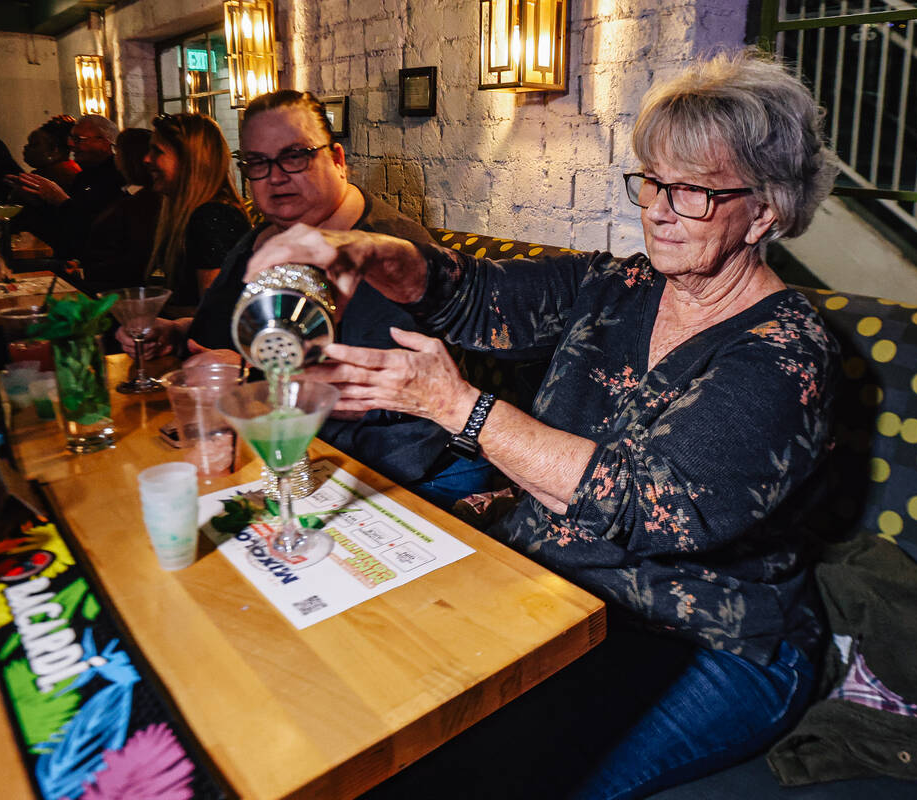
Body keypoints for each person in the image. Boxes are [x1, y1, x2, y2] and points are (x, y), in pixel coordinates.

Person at [246, 50, 840, 799]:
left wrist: (458, 407)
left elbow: (650, 506)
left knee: (492, 774)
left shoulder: (785, 352)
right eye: (653, 180)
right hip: (554, 583)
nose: (658, 209)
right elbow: (468, 294)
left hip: (704, 636)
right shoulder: (618, 286)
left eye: (693, 191)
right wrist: (364, 251)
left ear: (766, 211)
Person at [124, 90, 497, 506]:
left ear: (337, 159)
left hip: (399, 477)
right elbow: (240, 330)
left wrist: (247, 375)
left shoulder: (387, 251)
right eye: (257, 163)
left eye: (295, 155)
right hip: (285, 455)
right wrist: (176, 332)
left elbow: (380, 392)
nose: (275, 176)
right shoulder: (260, 239)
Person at [143, 113, 250, 312]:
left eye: (157, 151)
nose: (147, 159)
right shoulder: (197, 213)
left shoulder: (212, 216)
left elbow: (215, 311)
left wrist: (153, 315)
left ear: (189, 160)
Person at [8, 114, 124, 259]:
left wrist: (61, 200)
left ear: (105, 142)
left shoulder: (117, 176)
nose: (70, 144)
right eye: (71, 138)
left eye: (78, 139)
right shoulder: (84, 175)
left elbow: (97, 227)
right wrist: (37, 199)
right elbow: (63, 222)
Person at [79, 127, 161, 293]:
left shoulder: (143, 203)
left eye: (117, 151)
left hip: (117, 290)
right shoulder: (126, 194)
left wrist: (85, 272)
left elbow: (134, 259)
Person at [21, 115, 80, 191]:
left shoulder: (57, 176)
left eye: (34, 144)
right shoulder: (67, 170)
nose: (26, 147)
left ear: (54, 150)